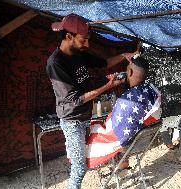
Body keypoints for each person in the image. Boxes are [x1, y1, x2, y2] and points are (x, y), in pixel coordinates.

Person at [46, 13, 136, 189]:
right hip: (72, 119)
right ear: (68, 36)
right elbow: (75, 100)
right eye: (83, 40)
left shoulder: (78, 52)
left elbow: (104, 63)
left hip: (86, 114)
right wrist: (107, 86)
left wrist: (124, 55)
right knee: (79, 167)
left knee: (96, 152)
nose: (87, 44)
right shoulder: (56, 63)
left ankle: (119, 166)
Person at [87, 56, 162, 169]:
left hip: (128, 144)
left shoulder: (125, 100)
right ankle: (123, 161)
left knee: (96, 120)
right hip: (142, 141)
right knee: (105, 111)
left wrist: (97, 115)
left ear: (130, 72)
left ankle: (121, 163)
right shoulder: (152, 92)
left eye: (126, 70)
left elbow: (113, 130)